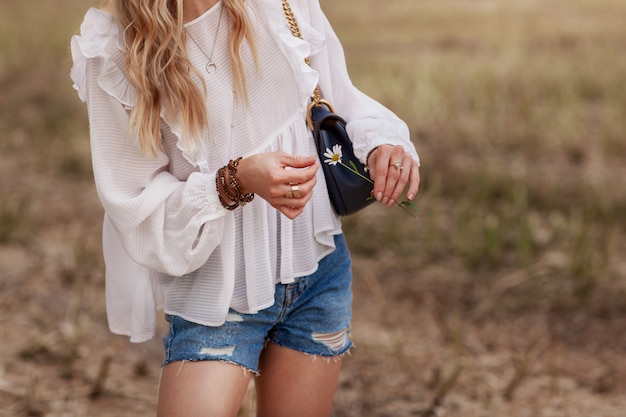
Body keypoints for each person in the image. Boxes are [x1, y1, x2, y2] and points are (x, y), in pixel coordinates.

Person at [70, 0, 420, 415]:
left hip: (317, 275)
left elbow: (341, 95)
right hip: (216, 296)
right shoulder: (114, 47)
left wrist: (380, 144)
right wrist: (235, 181)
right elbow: (136, 205)